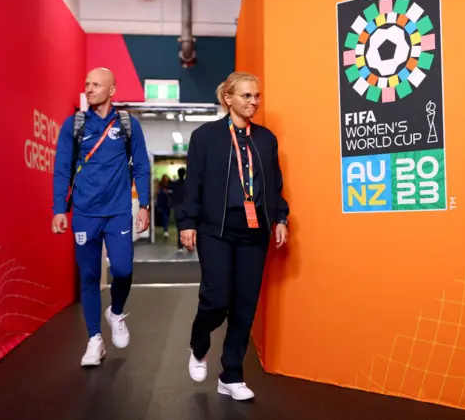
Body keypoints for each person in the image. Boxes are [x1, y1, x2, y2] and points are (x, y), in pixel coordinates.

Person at [177, 72, 290, 401]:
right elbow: (193, 183)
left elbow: (274, 185)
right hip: (216, 230)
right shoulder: (205, 136)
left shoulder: (266, 139)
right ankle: (199, 344)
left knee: (244, 304)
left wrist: (280, 217)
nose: (253, 101)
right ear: (228, 98)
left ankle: (232, 374)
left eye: (256, 96)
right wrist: (187, 222)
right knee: (216, 298)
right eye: (246, 96)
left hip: (255, 232)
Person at [51, 67, 151, 367]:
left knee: (122, 270)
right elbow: (62, 170)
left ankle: (116, 311)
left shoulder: (128, 125)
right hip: (84, 213)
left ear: (112, 90)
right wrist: (59, 209)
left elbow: (141, 167)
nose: (90, 89)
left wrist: (144, 205)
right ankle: (95, 339)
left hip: (119, 211)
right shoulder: (75, 125)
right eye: (87, 84)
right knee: (90, 276)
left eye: (96, 84)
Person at [170, 167, 187, 251]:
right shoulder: (187, 184)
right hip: (186, 207)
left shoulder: (174, 184)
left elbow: (171, 195)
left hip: (177, 207)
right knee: (187, 226)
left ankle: (180, 245)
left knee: (179, 227)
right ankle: (188, 243)